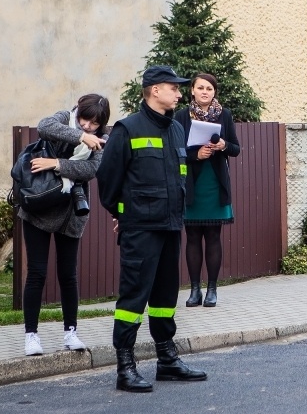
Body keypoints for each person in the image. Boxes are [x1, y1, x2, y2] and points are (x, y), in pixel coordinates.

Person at [97, 66, 206, 393]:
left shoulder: (176, 129)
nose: (179, 93)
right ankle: (125, 366)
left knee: (164, 297)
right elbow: (108, 181)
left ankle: (167, 360)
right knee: (133, 296)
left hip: (171, 225)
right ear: (155, 90)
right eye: (174, 88)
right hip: (140, 228)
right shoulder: (127, 129)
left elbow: (179, 177)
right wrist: (124, 213)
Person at [20, 94, 110, 356]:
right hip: (39, 205)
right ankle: (31, 335)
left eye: (94, 123)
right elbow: (44, 126)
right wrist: (81, 137)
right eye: (84, 119)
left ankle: (71, 332)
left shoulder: (101, 140)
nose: (87, 126)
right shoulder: (64, 119)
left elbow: (91, 170)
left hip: (71, 210)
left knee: (68, 275)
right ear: (78, 111)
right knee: (36, 273)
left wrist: (56, 163)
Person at [174, 73, 241, 308]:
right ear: (192, 90)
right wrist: (196, 155)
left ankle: (212, 290)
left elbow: (235, 149)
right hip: (192, 183)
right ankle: (195, 290)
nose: (205, 92)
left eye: (209, 89)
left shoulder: (225, 115)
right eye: (201, 88)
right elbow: (175, 150)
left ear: (214, 92)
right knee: (192, 237)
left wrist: (223, 145)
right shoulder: (181, 116)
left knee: (213, 237)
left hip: (215, 183)